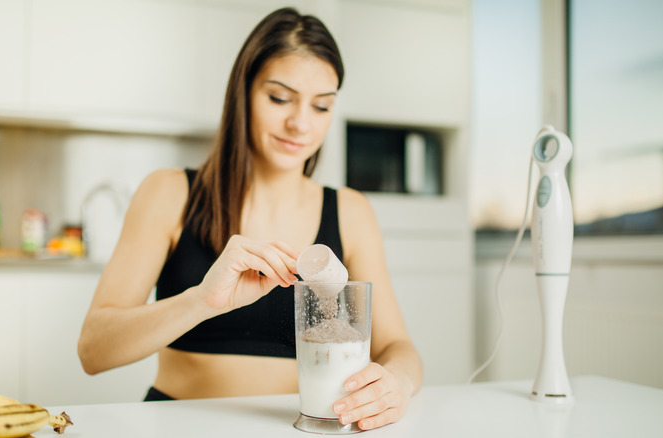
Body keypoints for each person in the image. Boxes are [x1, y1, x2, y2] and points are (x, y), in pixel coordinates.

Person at [77, 7, 423, 431]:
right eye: (280, 98)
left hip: (299, 428)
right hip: (176, 427)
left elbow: (398, 347)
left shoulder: (351, 211)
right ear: (243, 93)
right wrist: (202, 300)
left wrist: (398, 384)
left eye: (321, 107)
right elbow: (93, 350)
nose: (300, 124)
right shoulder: (169, 193)